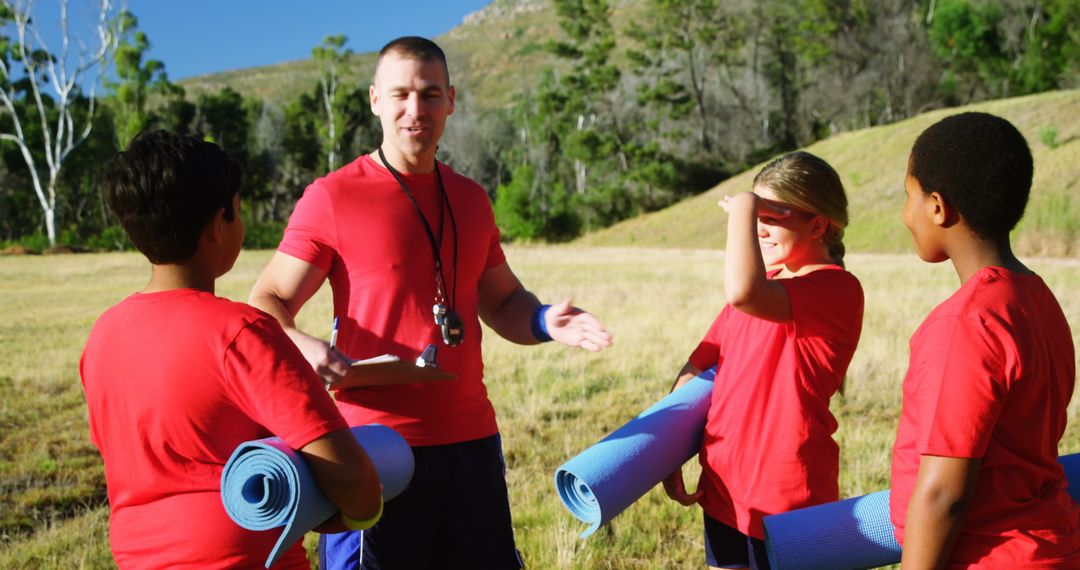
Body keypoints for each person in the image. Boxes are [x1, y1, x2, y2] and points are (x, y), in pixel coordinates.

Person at [248, 36, 612, 569]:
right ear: (375, 100)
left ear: (451, 100)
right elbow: (268, 300)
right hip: (373, 449)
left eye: (430, 94)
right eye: (400, 94)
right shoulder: (333, 196)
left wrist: (542, 320)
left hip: (471, 443)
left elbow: (502, 298)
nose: (415, 109)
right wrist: (305, 347)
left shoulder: (470, 198)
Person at [80, 131, 383, 569]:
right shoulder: (241, 333)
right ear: (219, 223)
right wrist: (364, 510)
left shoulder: (103, 335)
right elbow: (349, 473)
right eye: (238, 210)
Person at [889, 112, 1080, 568]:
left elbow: (943, 492)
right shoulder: (1036, 297)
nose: (905, 214)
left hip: (990, 557)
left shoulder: (965, 324)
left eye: (908, 196)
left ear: (938, 206)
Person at [662, 151, 864, 569]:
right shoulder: (767, 286)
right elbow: (696, 367)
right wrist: (666, 450)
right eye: (756, 218)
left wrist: (742, 204)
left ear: (818, 224)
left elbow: (743, 291)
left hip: (789, 504)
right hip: (723, 492)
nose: (758, 229)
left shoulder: (837, 290)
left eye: (771, 216)